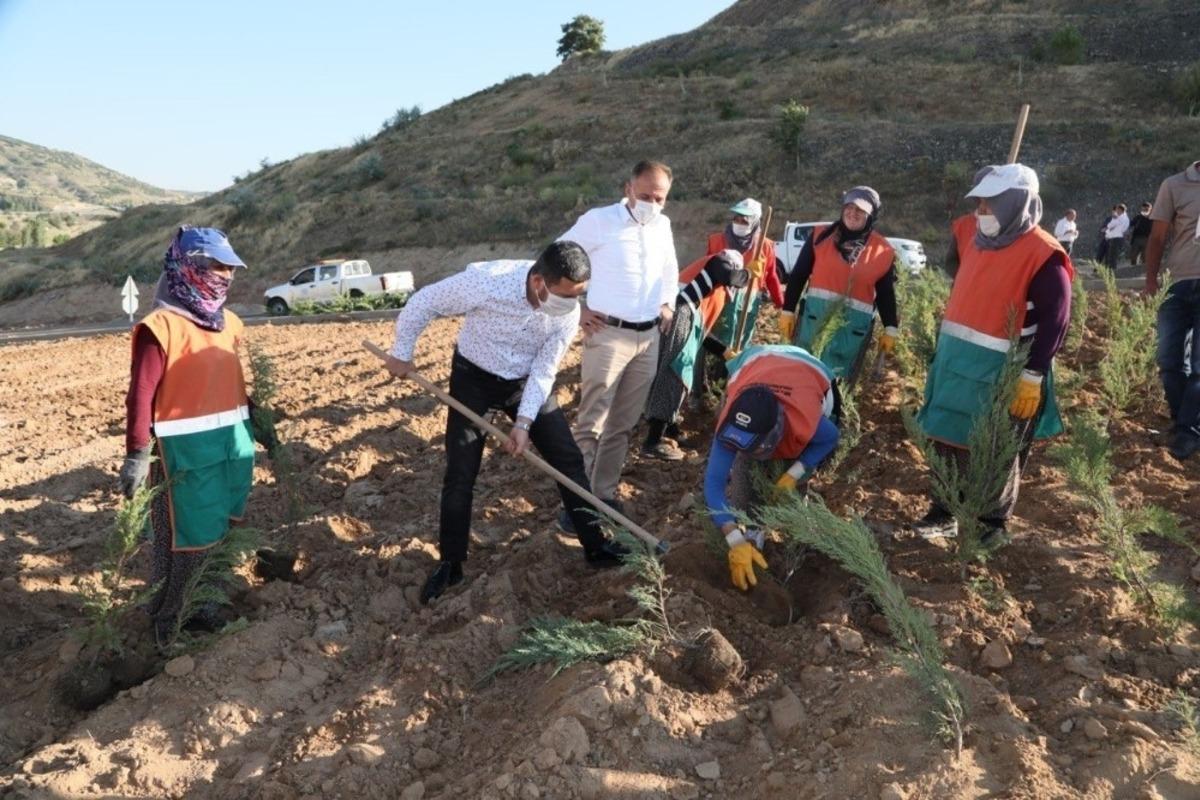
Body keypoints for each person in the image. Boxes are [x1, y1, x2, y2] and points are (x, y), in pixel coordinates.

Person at [385, 242, 630, 603]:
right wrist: (402, 353)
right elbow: (425, 301)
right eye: (565, 296)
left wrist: (525, 422)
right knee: (461, 473)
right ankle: (451, 564)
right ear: (538, 282)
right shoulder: (486, 282)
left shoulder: (564, 313)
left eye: (579, 296)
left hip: (524, 381)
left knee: (568, 459)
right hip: (474, 378)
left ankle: (595, 545)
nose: (571, 307)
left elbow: (546, 368)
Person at [120, 226, 271, 647]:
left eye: (230, 267)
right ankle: (172, 621)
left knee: (219, 529)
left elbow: (233, 382)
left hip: (229, 447)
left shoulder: (231, 324)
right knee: (187, 539)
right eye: (216, 266)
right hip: (182, 454)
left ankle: (197, 605)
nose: (226, 275)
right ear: (188, 268)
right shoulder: (160, 327)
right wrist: (136, 453)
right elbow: (140, 396)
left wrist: (260, 422)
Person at [914, 164, 1073, 543]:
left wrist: (1032, 376)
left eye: (990, 204)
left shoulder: (1044, 255)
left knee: (997, 445)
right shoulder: (973, 235)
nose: (981, 211)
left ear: (1016, 205)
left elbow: (1056, 320)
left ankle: (991, 523)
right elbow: (955, 261)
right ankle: (944, 510)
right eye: (980, 203)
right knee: (946, 434)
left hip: (1007, 369)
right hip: (957, 360)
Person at [555, 161, 679, 526]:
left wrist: (668, 303)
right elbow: (556, 258)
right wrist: (574, 308)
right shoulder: (599, 221)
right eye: (645, 196)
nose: (652, 205)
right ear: (628, 189)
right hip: (608, 334)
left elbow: (670, 268)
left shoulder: (663, 225)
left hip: (648, 336)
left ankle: (604, 496)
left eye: (660, 199)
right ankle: (575, 505)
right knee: (591, 422)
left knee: (623, 425)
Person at [703, 344, 840, 590]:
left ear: (776, 433)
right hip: (755, 363)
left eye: (755, 446)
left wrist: (795, 472)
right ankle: (754, 534)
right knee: (746, 473)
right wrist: (735, 539)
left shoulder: (808, 422)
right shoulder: (730, 423)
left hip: (811, 373)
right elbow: (714, 484)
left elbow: (830, 439)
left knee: (795, 487)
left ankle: (794, 551)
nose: (743, 449)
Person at [778, 186, 898, 382]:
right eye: (849, 207)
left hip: (851, 330)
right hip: (814, 320)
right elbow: (799, 274)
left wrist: (890, 327)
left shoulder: (882, 250)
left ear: (871, 215)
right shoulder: (819, 237)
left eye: (860, 210)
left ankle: (831, 412)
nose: (853, 213)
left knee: (837, 381)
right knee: (802, 372)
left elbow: (885, 293)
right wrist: (788, 310)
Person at [641, 250, 749, 460]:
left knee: (674, 372)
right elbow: (729, 275)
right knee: (675, 374)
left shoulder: (708, 286)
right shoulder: (718, 262)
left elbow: (702, 334)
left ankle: (670, 429)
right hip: (679, 315)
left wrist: (725, 352)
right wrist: (748, 275)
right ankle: (653, 441)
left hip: (679, 316)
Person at [1145, 160, 1200, 461]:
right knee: (1169, 360)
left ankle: (1188, 432)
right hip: (1176, 284)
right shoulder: (1175, 184)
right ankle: (1184, 422)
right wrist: (1152, 280)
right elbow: (1157, 237)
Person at [1103, 203, 1130, 270]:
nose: (1116, 211)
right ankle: (1112, 268)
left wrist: (1107, 229)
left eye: (1117, 210)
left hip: (1116, 238)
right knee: (1112, 255)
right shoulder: (1125, 218)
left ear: (1120, 210)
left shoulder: (1120, 218)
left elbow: (1112, 225)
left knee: (1112, 255)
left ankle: (1112, 269)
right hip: (1118, 237)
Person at [1129, 201, 1154, 268]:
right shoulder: (1138, 217)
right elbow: (1131, 224)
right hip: (1137, 239)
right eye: (1143, 209)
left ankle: (1143, 271)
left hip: (1147, 239)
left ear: (1150, 209)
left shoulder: (1153, 217)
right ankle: (1133, 269)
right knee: (1133, 256)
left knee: (1145, 257)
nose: (1145, 210)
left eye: (1146, 209)